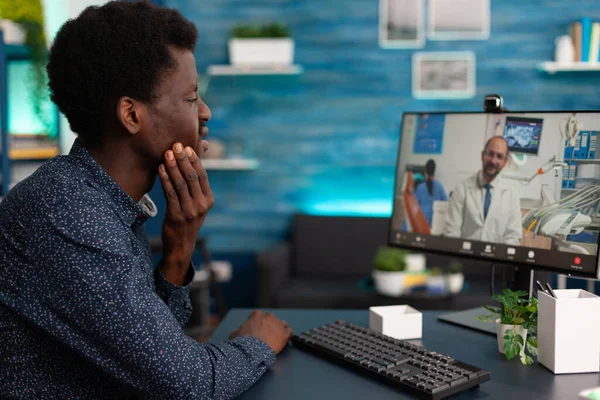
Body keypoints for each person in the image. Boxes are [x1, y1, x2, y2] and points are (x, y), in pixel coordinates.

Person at [0, 3, 291, 399]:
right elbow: (190, 386)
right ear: (131, 115)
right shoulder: (70, 215)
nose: (204, 112)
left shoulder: (102, 200)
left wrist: (178, 247)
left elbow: (148, 355)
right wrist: (260, 342)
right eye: (190, 98)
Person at [443, 136, 522, 246]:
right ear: (482, 155)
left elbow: (512, 237)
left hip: (496, 259)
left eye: (499, 156)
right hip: (464, 256)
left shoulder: (511, 195)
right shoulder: (462, 189)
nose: (493, 161)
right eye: (490, 154)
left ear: (505, 161)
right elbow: (451, 232)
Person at [414, 159, 448, 227]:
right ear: (434, 171)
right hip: (434, 222)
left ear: (425, 171)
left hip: (421, 221)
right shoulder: (439, 186)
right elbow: (446, 202)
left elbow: (414, 204)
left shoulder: (420, 187)